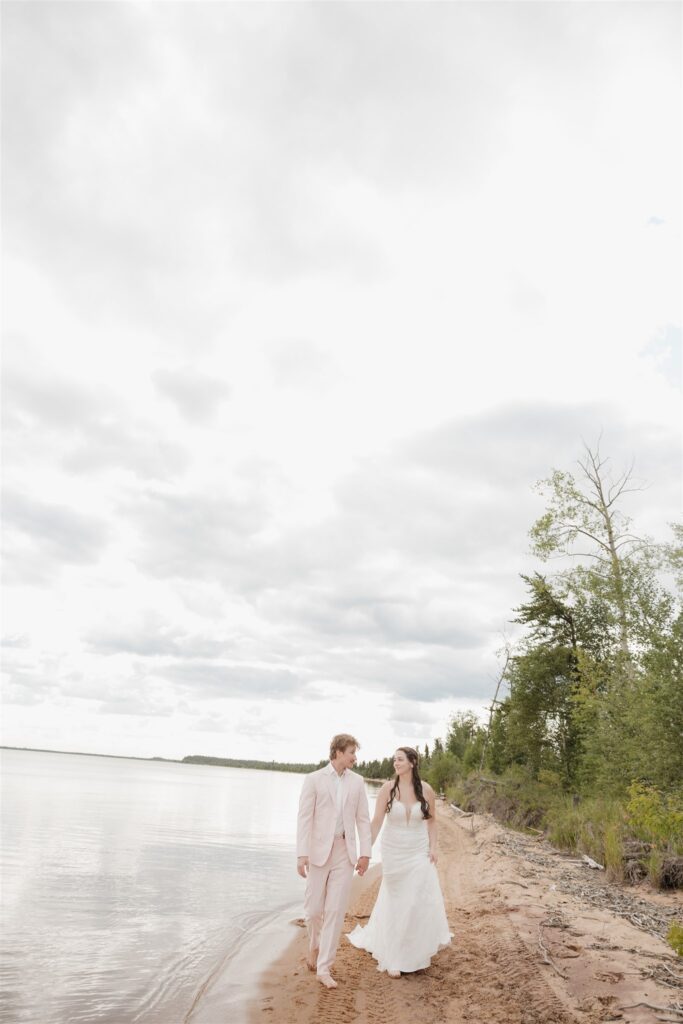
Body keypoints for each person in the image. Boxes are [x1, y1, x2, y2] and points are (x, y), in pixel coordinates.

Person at [346, 746, 451, 977]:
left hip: (417, 849)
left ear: (412, 763)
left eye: (400, 759)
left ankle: (409, 953)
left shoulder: (427, 790)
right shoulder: (387, 789)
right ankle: (393, 954)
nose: (396, 763)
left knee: (414, 900)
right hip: (393, 851)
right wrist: (365, 851)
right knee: (396, 901)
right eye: (394, 759)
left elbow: (432, 823)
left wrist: (434, 848)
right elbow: (376, 822)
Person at [296, 733, 372, 989]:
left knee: (335, 911)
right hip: (318, 852)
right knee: (313, 911)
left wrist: (365, 853)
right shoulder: (314, 779)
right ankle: (314, 945)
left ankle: (324, 967)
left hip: (345, 852)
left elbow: (363, 819)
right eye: (352, 752)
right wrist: (301, 854)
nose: (355, 757)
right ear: (338, 752)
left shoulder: (358, 782)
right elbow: (304, 819)